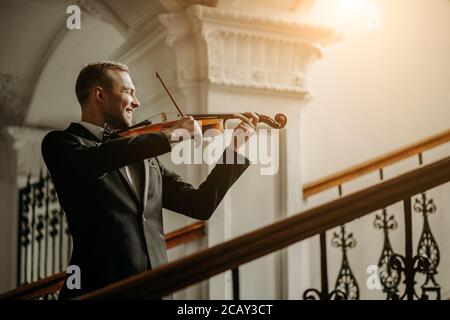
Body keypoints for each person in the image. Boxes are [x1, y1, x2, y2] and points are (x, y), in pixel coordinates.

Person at [41, 61, 257, 300]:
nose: (136, 102)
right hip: (98, 290)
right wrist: (171, 135)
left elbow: (200, 204)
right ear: (99, 94)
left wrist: (233, 150)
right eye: (128, 92)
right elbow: (99, 159)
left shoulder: (145, 157)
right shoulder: (62, 144)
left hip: (156, 289)